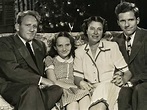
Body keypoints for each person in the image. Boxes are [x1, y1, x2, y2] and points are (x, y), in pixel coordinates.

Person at [0, 10, 63, 110]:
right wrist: (41, 80)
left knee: (57, 90)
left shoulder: (40, 45)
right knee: (32, 91)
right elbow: (11, 71)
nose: (32, 29)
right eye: (28, 25)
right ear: (17, 27)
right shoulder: (5, 43)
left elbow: (47, 65)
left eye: (34, 26)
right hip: (12, 86)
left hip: (35, 88)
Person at [73, 16, 132, 110]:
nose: (95, 32)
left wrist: (123, 79)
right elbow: (77, 77)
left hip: (110, 86)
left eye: (99, 29)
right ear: (86, 31)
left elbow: (127, 72)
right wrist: (81, 82)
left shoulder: (111, 47)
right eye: (92, 29)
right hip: (91, 89)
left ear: (103, 32)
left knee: (102, 90)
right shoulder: (79, 52)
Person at [113, 2, 147, 110]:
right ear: (118, 22)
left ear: (137, 20)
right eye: (123, 21)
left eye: (131, 20)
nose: (127, 24)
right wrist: (118, 75)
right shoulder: (115, 42)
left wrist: (132, 82)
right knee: (123, 93)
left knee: (140, 90)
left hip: (143, 82)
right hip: (127, 84)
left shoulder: (145, 37)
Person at [44, 31, 90, 110]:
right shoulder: (50, 60)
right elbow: (52, 81)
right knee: (73, 103)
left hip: (77, 90)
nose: (64, 49)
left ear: (71, 45)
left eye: (67, 45)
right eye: (60, 46)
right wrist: (74, 87)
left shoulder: (76, 59)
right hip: (60, 90)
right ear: (55, 47)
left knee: (85, 97)